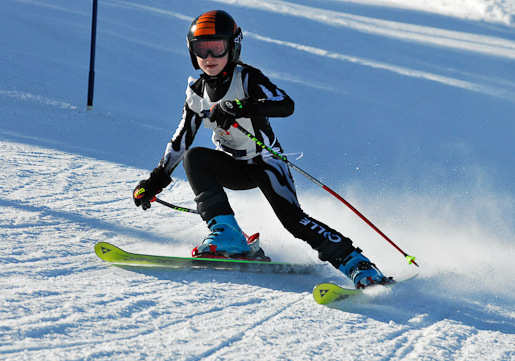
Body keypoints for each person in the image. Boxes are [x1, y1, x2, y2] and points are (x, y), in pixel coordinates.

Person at [133, 10, 389, 289]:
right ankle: (228, 235)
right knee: (196, 158)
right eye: (200, 48)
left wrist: (240, 106)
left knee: (293, 221)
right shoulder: (197, 93)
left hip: (267, 162)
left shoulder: (247, 78)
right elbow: (182, 140)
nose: (209, 57)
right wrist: (155, 180)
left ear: (233, 47)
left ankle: (359, 265)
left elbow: (285, 104)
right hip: (234, 167)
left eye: (217, 48)